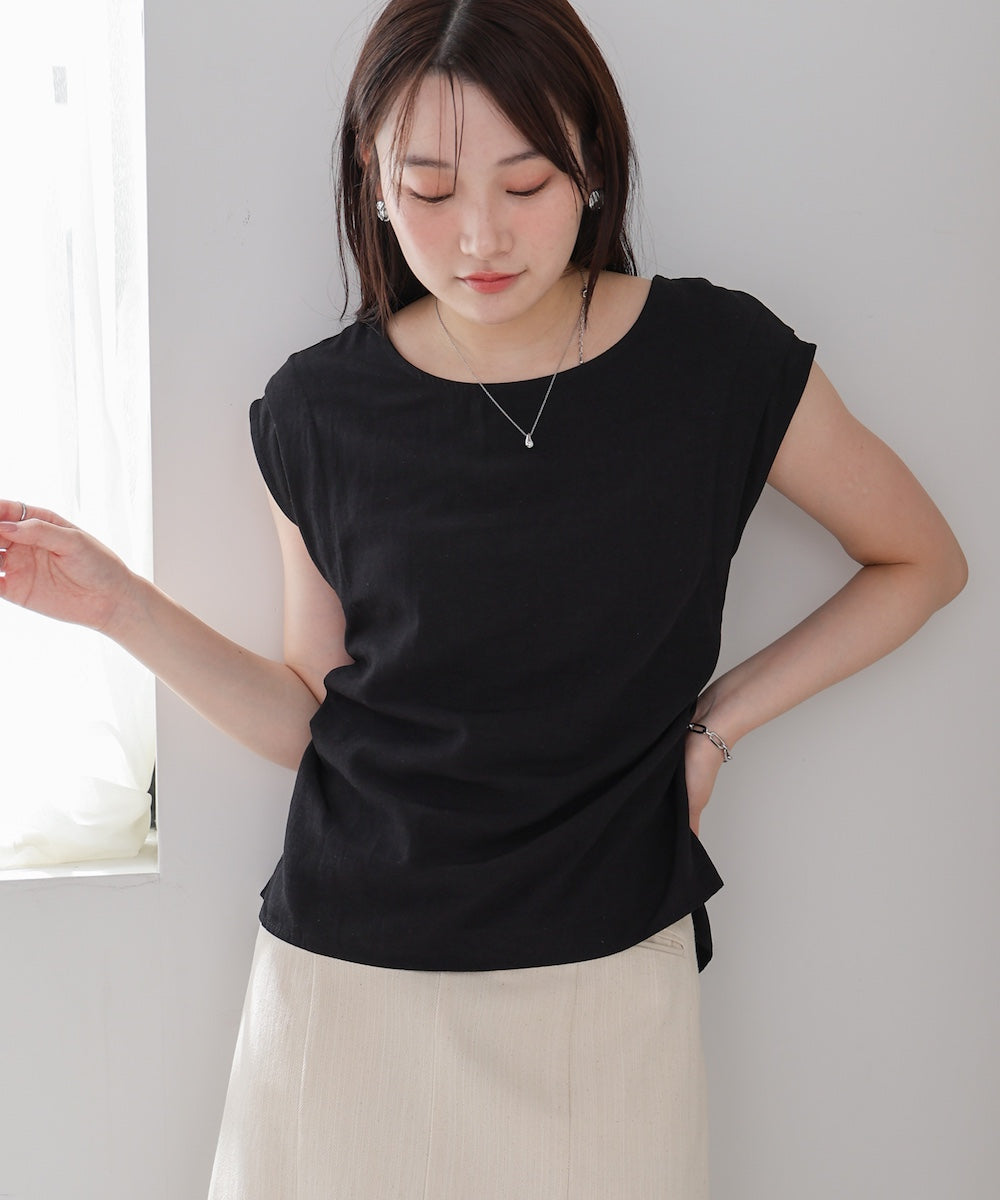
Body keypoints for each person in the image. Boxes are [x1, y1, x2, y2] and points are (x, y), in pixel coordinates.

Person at [0, 0, 967, 1196]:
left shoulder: (717, 361)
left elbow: (920, 561)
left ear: (592, 164)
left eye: (526, 183)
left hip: (604, 977)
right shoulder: (316, 411)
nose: (479, 236)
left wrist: (717, 724)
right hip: (346, 983)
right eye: (430, 187)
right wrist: (119, 608)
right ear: (373, 181)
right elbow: (317, 715)